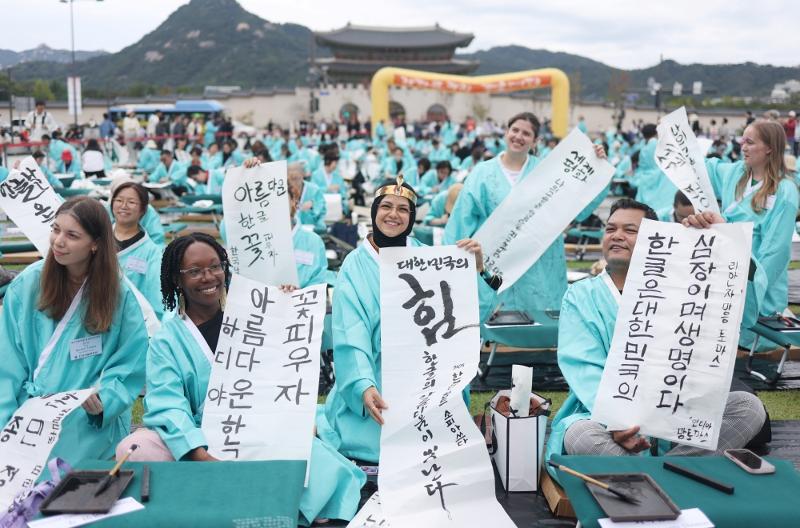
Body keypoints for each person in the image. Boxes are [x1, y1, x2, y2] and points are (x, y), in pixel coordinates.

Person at [115, 233, 365, 524]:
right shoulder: (167, 341)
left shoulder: (253, 319)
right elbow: (167, 406)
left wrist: (285, 306)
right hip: (196, 442)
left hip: (257, 433)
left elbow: (283, 373)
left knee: (317, 463)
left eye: (215, 267)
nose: (208, 277)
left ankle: (238, 492)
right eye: (194, 271)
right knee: (136, 446)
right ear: (176, 279)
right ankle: (238, 488)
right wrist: (199, 454)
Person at [546, 199, 767, 472]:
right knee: (580, 435)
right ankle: (679, 474)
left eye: (629, 230)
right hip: (602, 416)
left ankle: (660, 473)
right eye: (610, 228)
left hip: (678, 411)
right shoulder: (581, 296)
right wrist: (617, 421)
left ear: (655, 239)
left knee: (748, 407)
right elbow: (583, 366)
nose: (616, 235)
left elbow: (743, 314)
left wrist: (725, 240)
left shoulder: (684, 286)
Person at [316, 176, 496, 463]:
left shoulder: (429, 258)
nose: (393, 215)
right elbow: (351, 332)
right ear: (374, 211)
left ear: (412, 218)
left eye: (403, 209)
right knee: (385, 444)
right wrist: (363, 384)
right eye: (386, 206)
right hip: (378, 374)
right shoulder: (354, 266)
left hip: (424, 374)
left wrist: (475, 269)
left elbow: (464, 317)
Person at [0, 197, 148, 463]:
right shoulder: (27, 285)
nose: (58, 241)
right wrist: (6, 422)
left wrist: (105, 398)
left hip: (87, 414)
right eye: (56, 230)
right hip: (30, 408)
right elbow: (7, 363)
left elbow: (131, 361)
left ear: (95, 244)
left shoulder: (118, 295)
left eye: (72, 235)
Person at [445, 111, 607, 317]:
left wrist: (596, 163)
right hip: (495, 258)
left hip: (539, 258)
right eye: (515, 130)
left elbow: (577, 201)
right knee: (495, 319)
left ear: (535, 140)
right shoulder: (482, 172)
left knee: (541, 318)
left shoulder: (548, 171)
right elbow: (462, 217)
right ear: (506, 132)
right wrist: (451, 256)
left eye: (526, 133)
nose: (518, 137)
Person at [703, 120, 798, 339]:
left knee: (747, 334)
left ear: (769, 148)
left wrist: (752, 287)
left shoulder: (785, 191)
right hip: (725, 272)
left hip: (756, 281)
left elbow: (775, 251)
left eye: (750, 142)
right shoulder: (736, 173)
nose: (743, 147)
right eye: (742, 140)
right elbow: (701, 167)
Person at [110, 181, 164, 320]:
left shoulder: (151, 252)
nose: (123, 206)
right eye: (119, 200)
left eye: (131, 202)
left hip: (130, 320)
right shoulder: (97, 239)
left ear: (143, 210)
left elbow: (156, 299)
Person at [289, 163, 327, 232]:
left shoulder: (314, 190)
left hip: (312, 230)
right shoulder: (284, 191)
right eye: (291, 179)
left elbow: (322, 212)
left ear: (302, 175)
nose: (294, 182)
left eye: (296, 178)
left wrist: (313, 205)